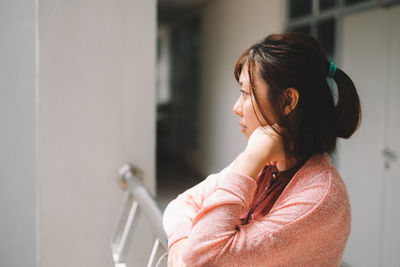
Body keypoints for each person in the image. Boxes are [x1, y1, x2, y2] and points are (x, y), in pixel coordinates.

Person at [162, 32, 361, 267]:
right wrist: (180, 241)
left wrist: (251, 158)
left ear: (288, 101)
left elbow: (204, 258)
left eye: (246, 94)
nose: (236, 108)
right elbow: (182, 203)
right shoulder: (267, 165)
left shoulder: (318, 197)